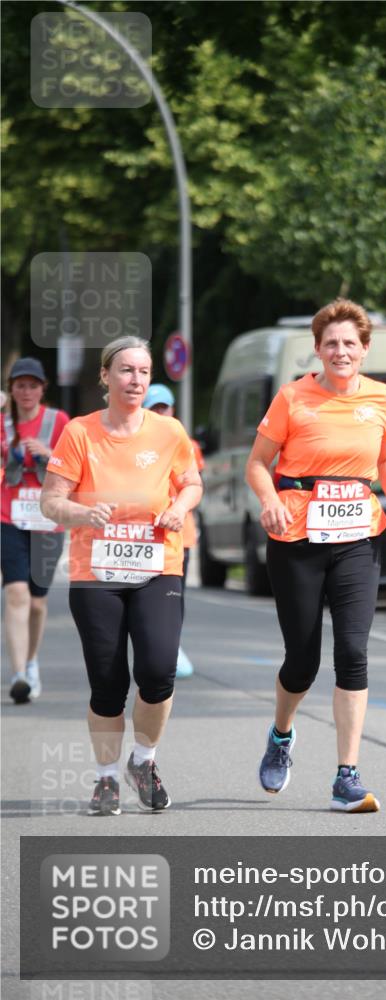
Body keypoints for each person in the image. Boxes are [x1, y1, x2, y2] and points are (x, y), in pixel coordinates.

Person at [245, 298, 386, 813]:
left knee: (354, 652)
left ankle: (347, 776)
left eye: (350, 343)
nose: (341, 351)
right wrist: (269, 499)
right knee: (302, 661)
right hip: (296, 539)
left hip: (359, 536)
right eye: (331, 343)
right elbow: (257, 464)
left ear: (364, 350)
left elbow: (385, 456)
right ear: (317, 349)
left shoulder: (382, 397)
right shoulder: (293, 397)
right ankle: (281, 734)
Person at [40, 336, 202, 817]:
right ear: (106, 376)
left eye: (144, 372)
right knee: (108, 684)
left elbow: (192, 483)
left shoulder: (169, 431)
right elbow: (52, 500)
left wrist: (178, 506)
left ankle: (144, 762)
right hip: (96, 571)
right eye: (126, 371)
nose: (136, 380)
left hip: (157, 566)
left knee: (157, 670)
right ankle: (107, 779)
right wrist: (83, 513)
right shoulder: (79, 433)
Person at [1, 358, 69, 703]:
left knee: (38, 602)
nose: (26, 391)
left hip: (47, 519)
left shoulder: (58, 422)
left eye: (32, 385)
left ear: (43, 389)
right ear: (11, 388)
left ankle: (31, 662)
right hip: (9, 516)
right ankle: (17, 676)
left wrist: (49, 453)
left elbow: (76, 464)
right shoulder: (3, 422)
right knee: (16, 593)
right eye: (19, 385)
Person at [142, 383, 205, 678]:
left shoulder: (186, 444)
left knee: (172, 597)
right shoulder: (134, 441)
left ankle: (171, 645)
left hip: (179, 535)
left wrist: (176, 508)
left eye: (163, 408)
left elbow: (192, 483)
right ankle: (148, 643)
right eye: (153, 408)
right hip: (140, 534)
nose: (160, 413)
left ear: (172, 410)